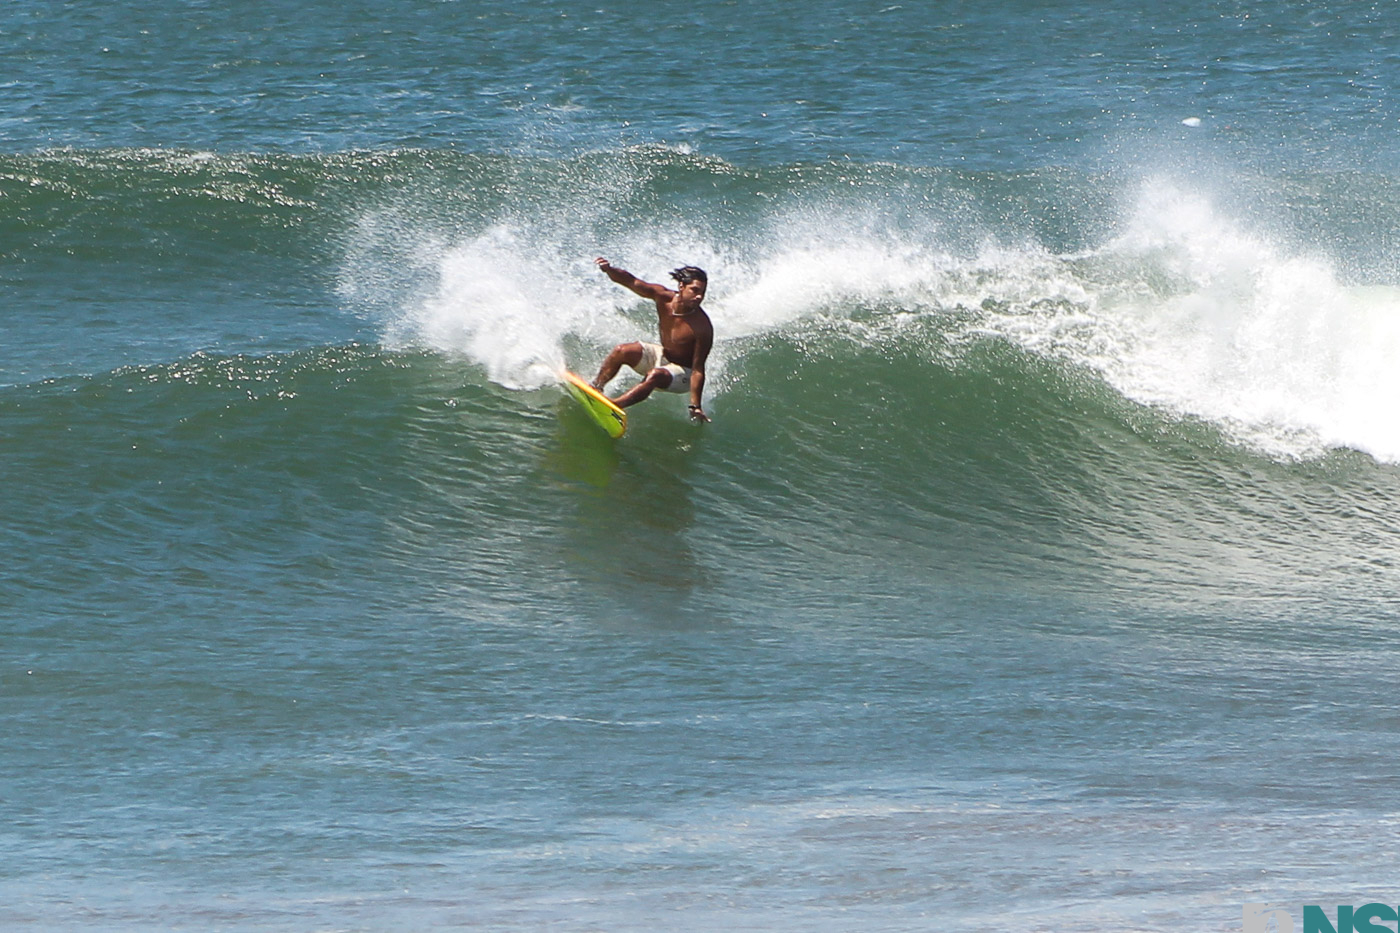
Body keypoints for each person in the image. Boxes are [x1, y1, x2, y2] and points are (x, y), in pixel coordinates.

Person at [591, 257, 714, 422]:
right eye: (694, 290)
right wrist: (609, 270)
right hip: (664, 356)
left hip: (684, 373)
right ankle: (595, 389)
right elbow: (632, 281)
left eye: (702, 293)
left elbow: (698, 369)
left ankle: (613, 406)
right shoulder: (663, 297)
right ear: (681, 286)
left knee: (655, 375)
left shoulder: (702, 327)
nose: (699, 296)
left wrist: (695, 405)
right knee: (622, 351)